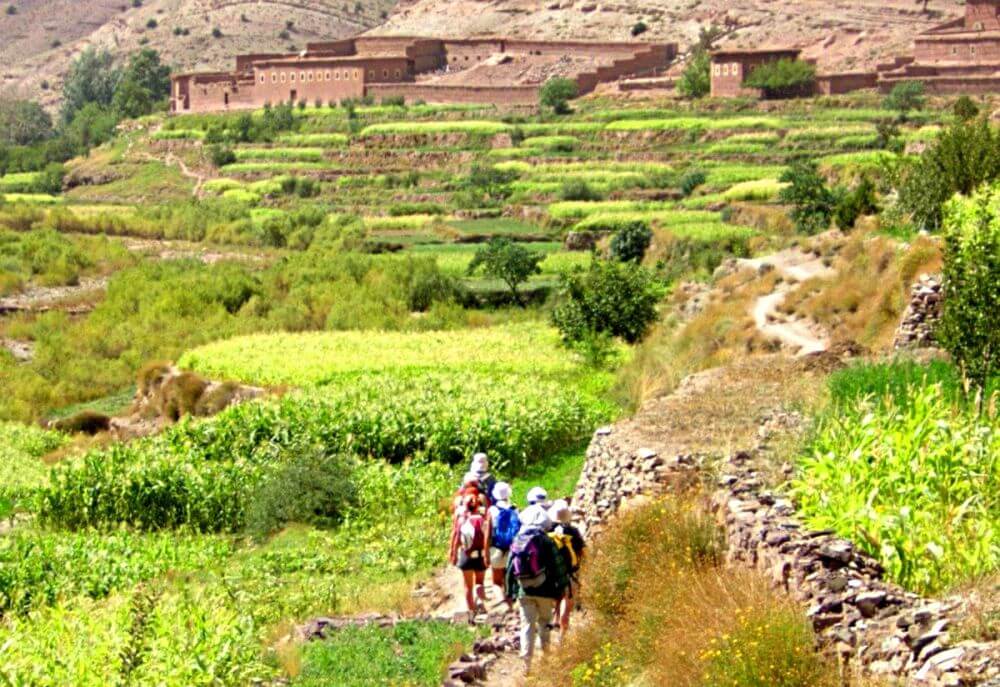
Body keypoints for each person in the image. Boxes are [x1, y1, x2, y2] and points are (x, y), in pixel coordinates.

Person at [505, 504, 569, 673]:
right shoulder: (546, 541)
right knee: (544, 623)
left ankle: (526, 664)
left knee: (526, 625)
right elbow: (558, 566)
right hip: (545, 591)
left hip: (524, 590)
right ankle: (545, 659)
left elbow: (510, 568)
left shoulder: (518, 540)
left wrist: (510, 591)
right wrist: (563, 587)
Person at [547, 499, 586, 633]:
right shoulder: (573, 531)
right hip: (570, 572)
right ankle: (563, 625)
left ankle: (555, 619)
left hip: (551, 572)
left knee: (557, 596)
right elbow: (582, 551)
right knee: (566, 599)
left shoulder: (547, 529)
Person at [450, 493, 490, 623]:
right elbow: (487, 539)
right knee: (479, 583)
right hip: (480, 555)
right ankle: (480, 602)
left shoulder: (462, 520)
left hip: (466, 556)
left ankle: (471, 614)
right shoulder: (482, 520)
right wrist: (486, 555)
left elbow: (457, 538)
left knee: (468, 587)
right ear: (478, 506)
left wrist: (454, 554)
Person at [487, 481, 520, 606]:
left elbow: (488, 532)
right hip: (512, 549)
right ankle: (510, 604)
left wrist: (486, 550)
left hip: (496, 548)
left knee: (496, 581)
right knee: (509, 579)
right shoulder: (515, 509)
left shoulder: (492, 510)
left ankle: (504, 606)